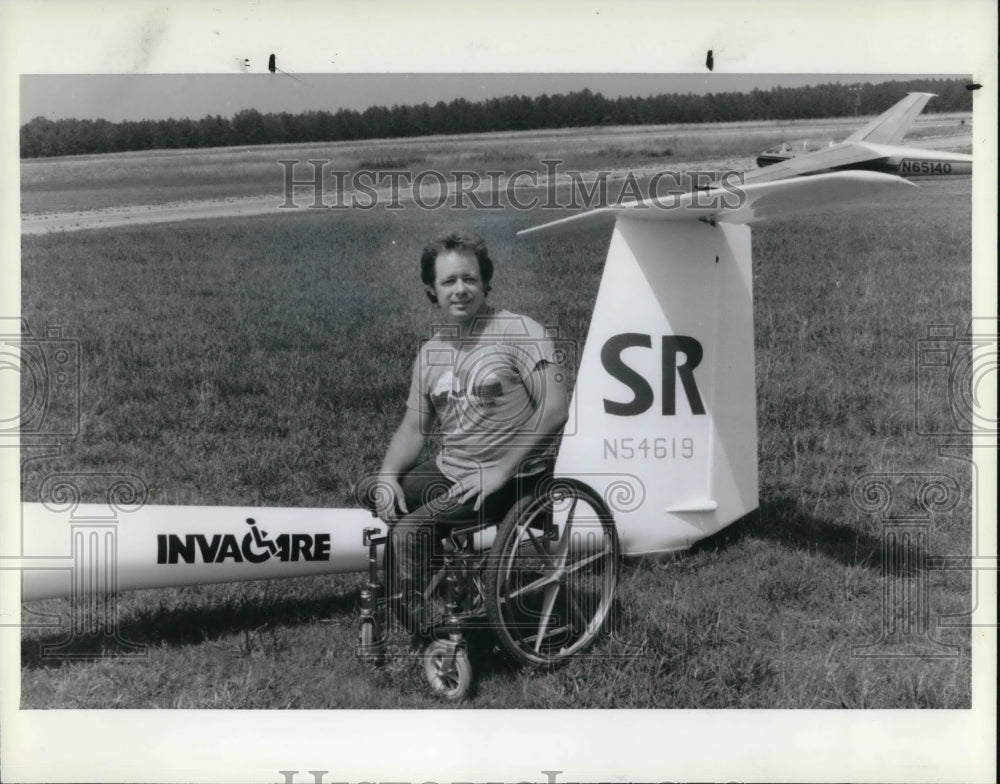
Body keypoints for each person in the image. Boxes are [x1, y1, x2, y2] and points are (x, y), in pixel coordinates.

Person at [374, 231, 570, 631]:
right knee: (376, 496)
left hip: (516, 479)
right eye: (448, 282)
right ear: (432, 289)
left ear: (485, 282)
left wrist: (499, 471)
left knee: (411, 531)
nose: (460, 290)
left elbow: (555, 409)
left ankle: (434, 629)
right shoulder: (431, 353)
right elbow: (414, 428)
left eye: (469, 279)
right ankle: (439, 584)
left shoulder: (520, 331)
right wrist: (387, 474)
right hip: (456, 473)